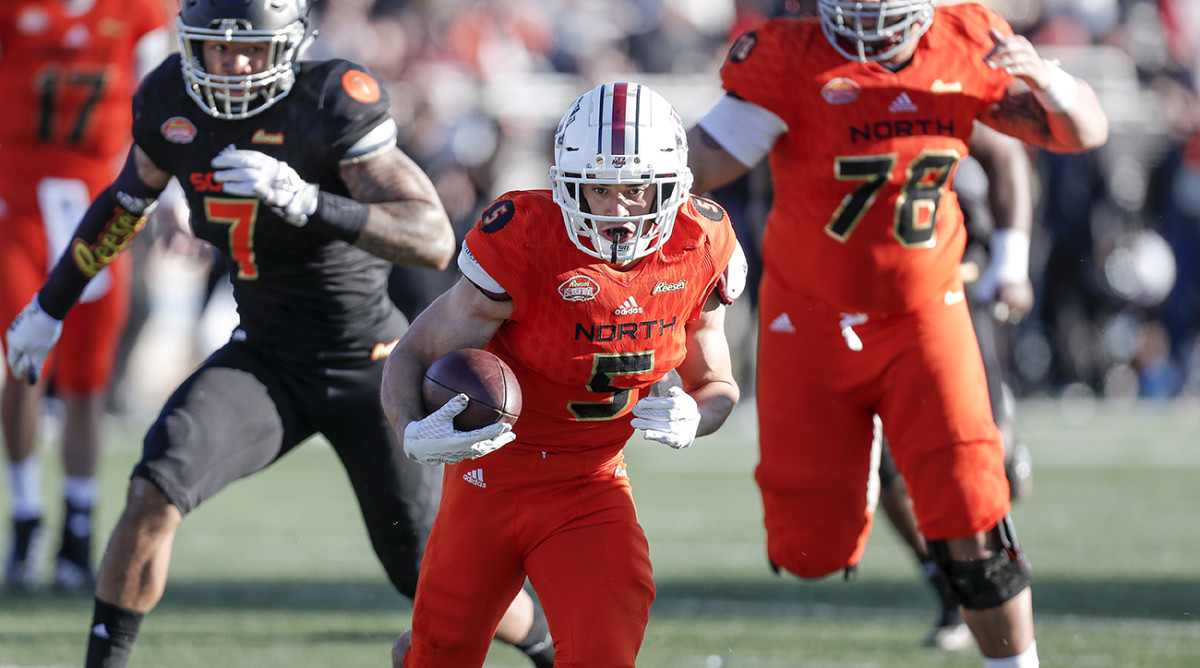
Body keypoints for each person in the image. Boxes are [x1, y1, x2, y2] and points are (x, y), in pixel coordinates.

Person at [3, 0, 552, 666]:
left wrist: (308, 200)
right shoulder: (170, 100)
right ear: (191, 48)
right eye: (216, 49)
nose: (232, 64)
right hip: (264, 357)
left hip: (370, 363)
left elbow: (433, 239)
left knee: (422, 569)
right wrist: (49, 307)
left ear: (285, 48)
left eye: (250, 50)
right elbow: (126, 200)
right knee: (153, 488)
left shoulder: (329, 101)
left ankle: (548, 646)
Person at [686, 1, 1108, 665]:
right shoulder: (791, 54)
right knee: (807, 549)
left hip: (926, 313)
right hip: (811, 319)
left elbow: (1083, 130)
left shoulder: (967, 40)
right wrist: (639, 173)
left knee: (973, 514)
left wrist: (1049, 79)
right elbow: (703, 161)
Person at [382, 81, 745, 667]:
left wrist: (698, 416)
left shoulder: (701, 243)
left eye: (637, 189)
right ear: (566, 184)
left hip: (590, 482)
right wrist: (409, 430)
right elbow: (412, 353)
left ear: (673, 186)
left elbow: (719, 383)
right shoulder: (527, 236)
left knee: (606, 648)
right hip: (488, 476)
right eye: (598, 188)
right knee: (440, 655)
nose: (619, 211)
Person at [1, 0, 170, 592]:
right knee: (23, 364)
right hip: (18, 208)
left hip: (102, 212)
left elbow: (163, 108)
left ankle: (77, 524)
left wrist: (170, 200)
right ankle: (24, 517)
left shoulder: (136, 12)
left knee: (87, 380)